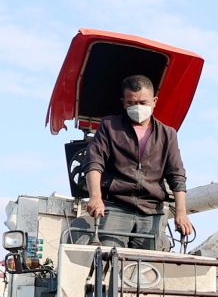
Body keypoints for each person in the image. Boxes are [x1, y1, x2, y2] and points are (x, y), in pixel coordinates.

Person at [82, 74, 192, 249]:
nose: (137, 107)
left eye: (143, 103)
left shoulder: (168, 134)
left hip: (152, 212)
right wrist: (96, 197)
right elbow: (94, 162)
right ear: (124, 102)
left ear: (154, 101)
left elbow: (177, 175)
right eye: (132, 103)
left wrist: (181, 213)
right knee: (108, 260)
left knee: (148, 269)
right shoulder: (110, 126)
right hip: (116, 207)